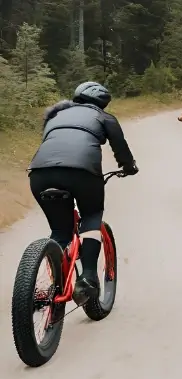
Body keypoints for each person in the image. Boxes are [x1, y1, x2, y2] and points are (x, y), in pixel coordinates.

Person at [28, 81, 139, 306]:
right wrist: (129, 167)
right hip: (82, 173)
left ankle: (47, 285)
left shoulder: (55, 116)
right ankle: (88, 277)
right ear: (103, 103)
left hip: (40, 173)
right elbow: (121, 149)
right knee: (91, 216)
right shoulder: (104, 117)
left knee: (60, 230)